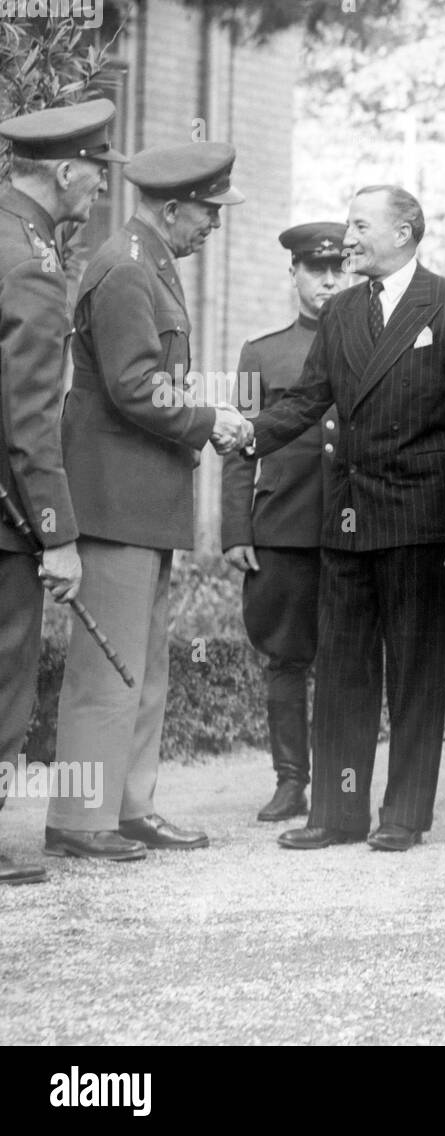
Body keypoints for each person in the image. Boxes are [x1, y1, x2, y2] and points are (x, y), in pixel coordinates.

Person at [244, 186, 445, 853]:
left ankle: (404, 814)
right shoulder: (343, 312)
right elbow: (307, 401)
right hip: (345, 519)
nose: (348, 237)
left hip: (421, 520)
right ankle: (338, 814)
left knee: (414, 671)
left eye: (360, 224)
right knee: (342, 669)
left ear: (405, 232)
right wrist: (248, 435)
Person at [46, 141, 248, 861]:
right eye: (208, 214)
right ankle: (80, 818)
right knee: (109, 666)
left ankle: (127, 805)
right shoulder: (130, 267)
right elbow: (135, 385)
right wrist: (209, 419)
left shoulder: (145, 259)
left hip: (138, 500)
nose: (213, 227)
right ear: (171, 207)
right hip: (115, 502)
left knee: (142, 663)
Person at [0, 100, 126, 882]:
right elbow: (29, 418)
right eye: (95, 176)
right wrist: (59, 534)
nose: (98, 193)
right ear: (66, 170)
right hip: (9, 521)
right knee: (6, 674)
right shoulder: (32, 264)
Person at [222, 223, 345, 821]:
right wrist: (236, 530)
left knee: (345, 658)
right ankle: (290, 780)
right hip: (283, 525)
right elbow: (239, 443)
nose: (328, 280)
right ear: (292, 274)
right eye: (314, 270)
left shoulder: (370, 341)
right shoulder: (261, 353)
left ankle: (338, 780)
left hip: (352, 526)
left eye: (337, 269)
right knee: (285, 657)